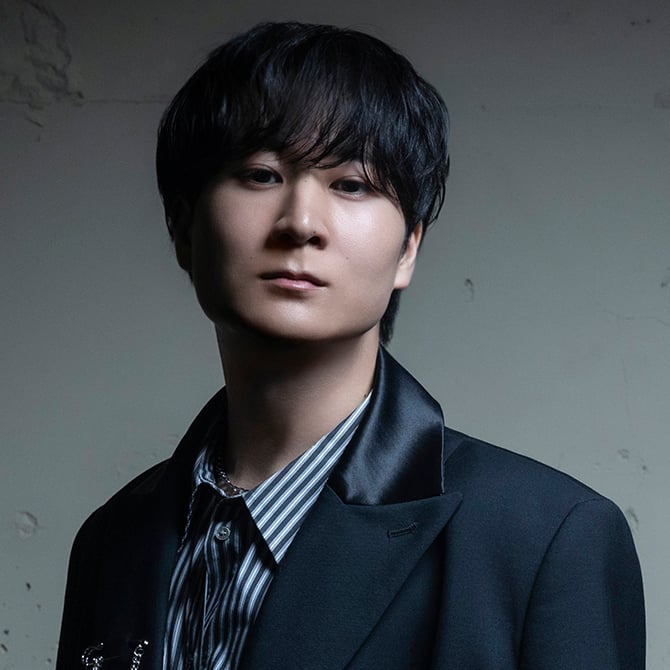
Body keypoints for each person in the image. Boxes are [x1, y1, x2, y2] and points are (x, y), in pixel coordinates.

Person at [57, 21, 645, 670]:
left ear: (408, 248)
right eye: (260, 174)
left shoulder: (549, 538)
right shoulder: (113, 538)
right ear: (182, 228)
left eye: (351, 184)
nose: (301, 224)